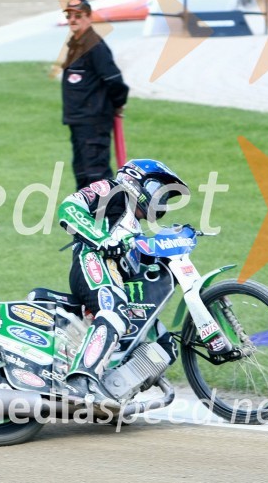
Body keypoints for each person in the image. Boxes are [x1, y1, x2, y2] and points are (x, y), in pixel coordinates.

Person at [56, 159, 187, 406]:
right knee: (115, 312)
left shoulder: (134, 228)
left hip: (114, 276)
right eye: (158, 191)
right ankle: (79, 381)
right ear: (137, 182)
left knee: (162, 341)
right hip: (92, 261)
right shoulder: (113, 191)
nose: (161, 201)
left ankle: (115, 388)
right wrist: (102, 239)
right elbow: (69, 207)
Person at [60, 0, 129, 190]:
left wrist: (117, 104)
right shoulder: (76, 44)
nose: (73, 20)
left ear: (89, 18)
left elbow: (115, 81)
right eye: (69, 16)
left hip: (94, 121)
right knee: (82, 171)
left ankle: (108, 216)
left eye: (78, 16)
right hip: (78, 121)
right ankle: (85, 216)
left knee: (96, 174)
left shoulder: (95, 46)